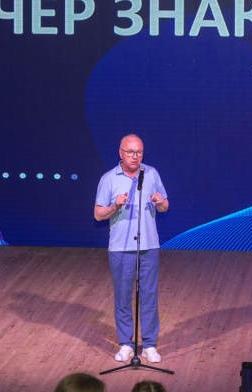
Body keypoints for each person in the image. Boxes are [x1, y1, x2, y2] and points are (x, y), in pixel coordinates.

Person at [94, 134, 169, 364]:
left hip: (148, 245)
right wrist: (115, 206)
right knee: (123, 297)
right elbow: (98, 214)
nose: (135, 157)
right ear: (121, 153)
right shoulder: (109, 179)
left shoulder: (151, 174)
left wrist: (160, 202)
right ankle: (126, 343)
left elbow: (165, 206)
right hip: (121, 247)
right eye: (130, 152)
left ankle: (149, 345)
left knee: (149, 296)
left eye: (139, 152)